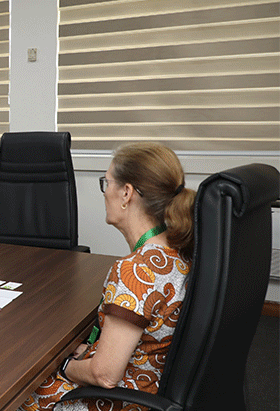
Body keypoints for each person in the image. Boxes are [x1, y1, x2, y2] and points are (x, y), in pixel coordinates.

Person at [17, 142, 195, 411]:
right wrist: (90, 354)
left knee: (21, 393)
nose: (104, 193)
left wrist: (66, 366)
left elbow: (105, 375)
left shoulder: (135, 271)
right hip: (154, 385)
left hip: (126, 399)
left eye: (106, 183)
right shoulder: (177, 252)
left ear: (126, 193)